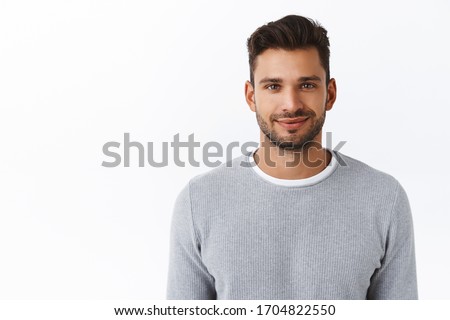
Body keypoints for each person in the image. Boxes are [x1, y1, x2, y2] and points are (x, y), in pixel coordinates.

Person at [166, 14, 418, 300]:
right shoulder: (198, 201)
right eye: (273, 86)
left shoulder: (384, 198)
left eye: (307, 85)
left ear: (330, 93)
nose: (291, 104)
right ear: (251, 96)